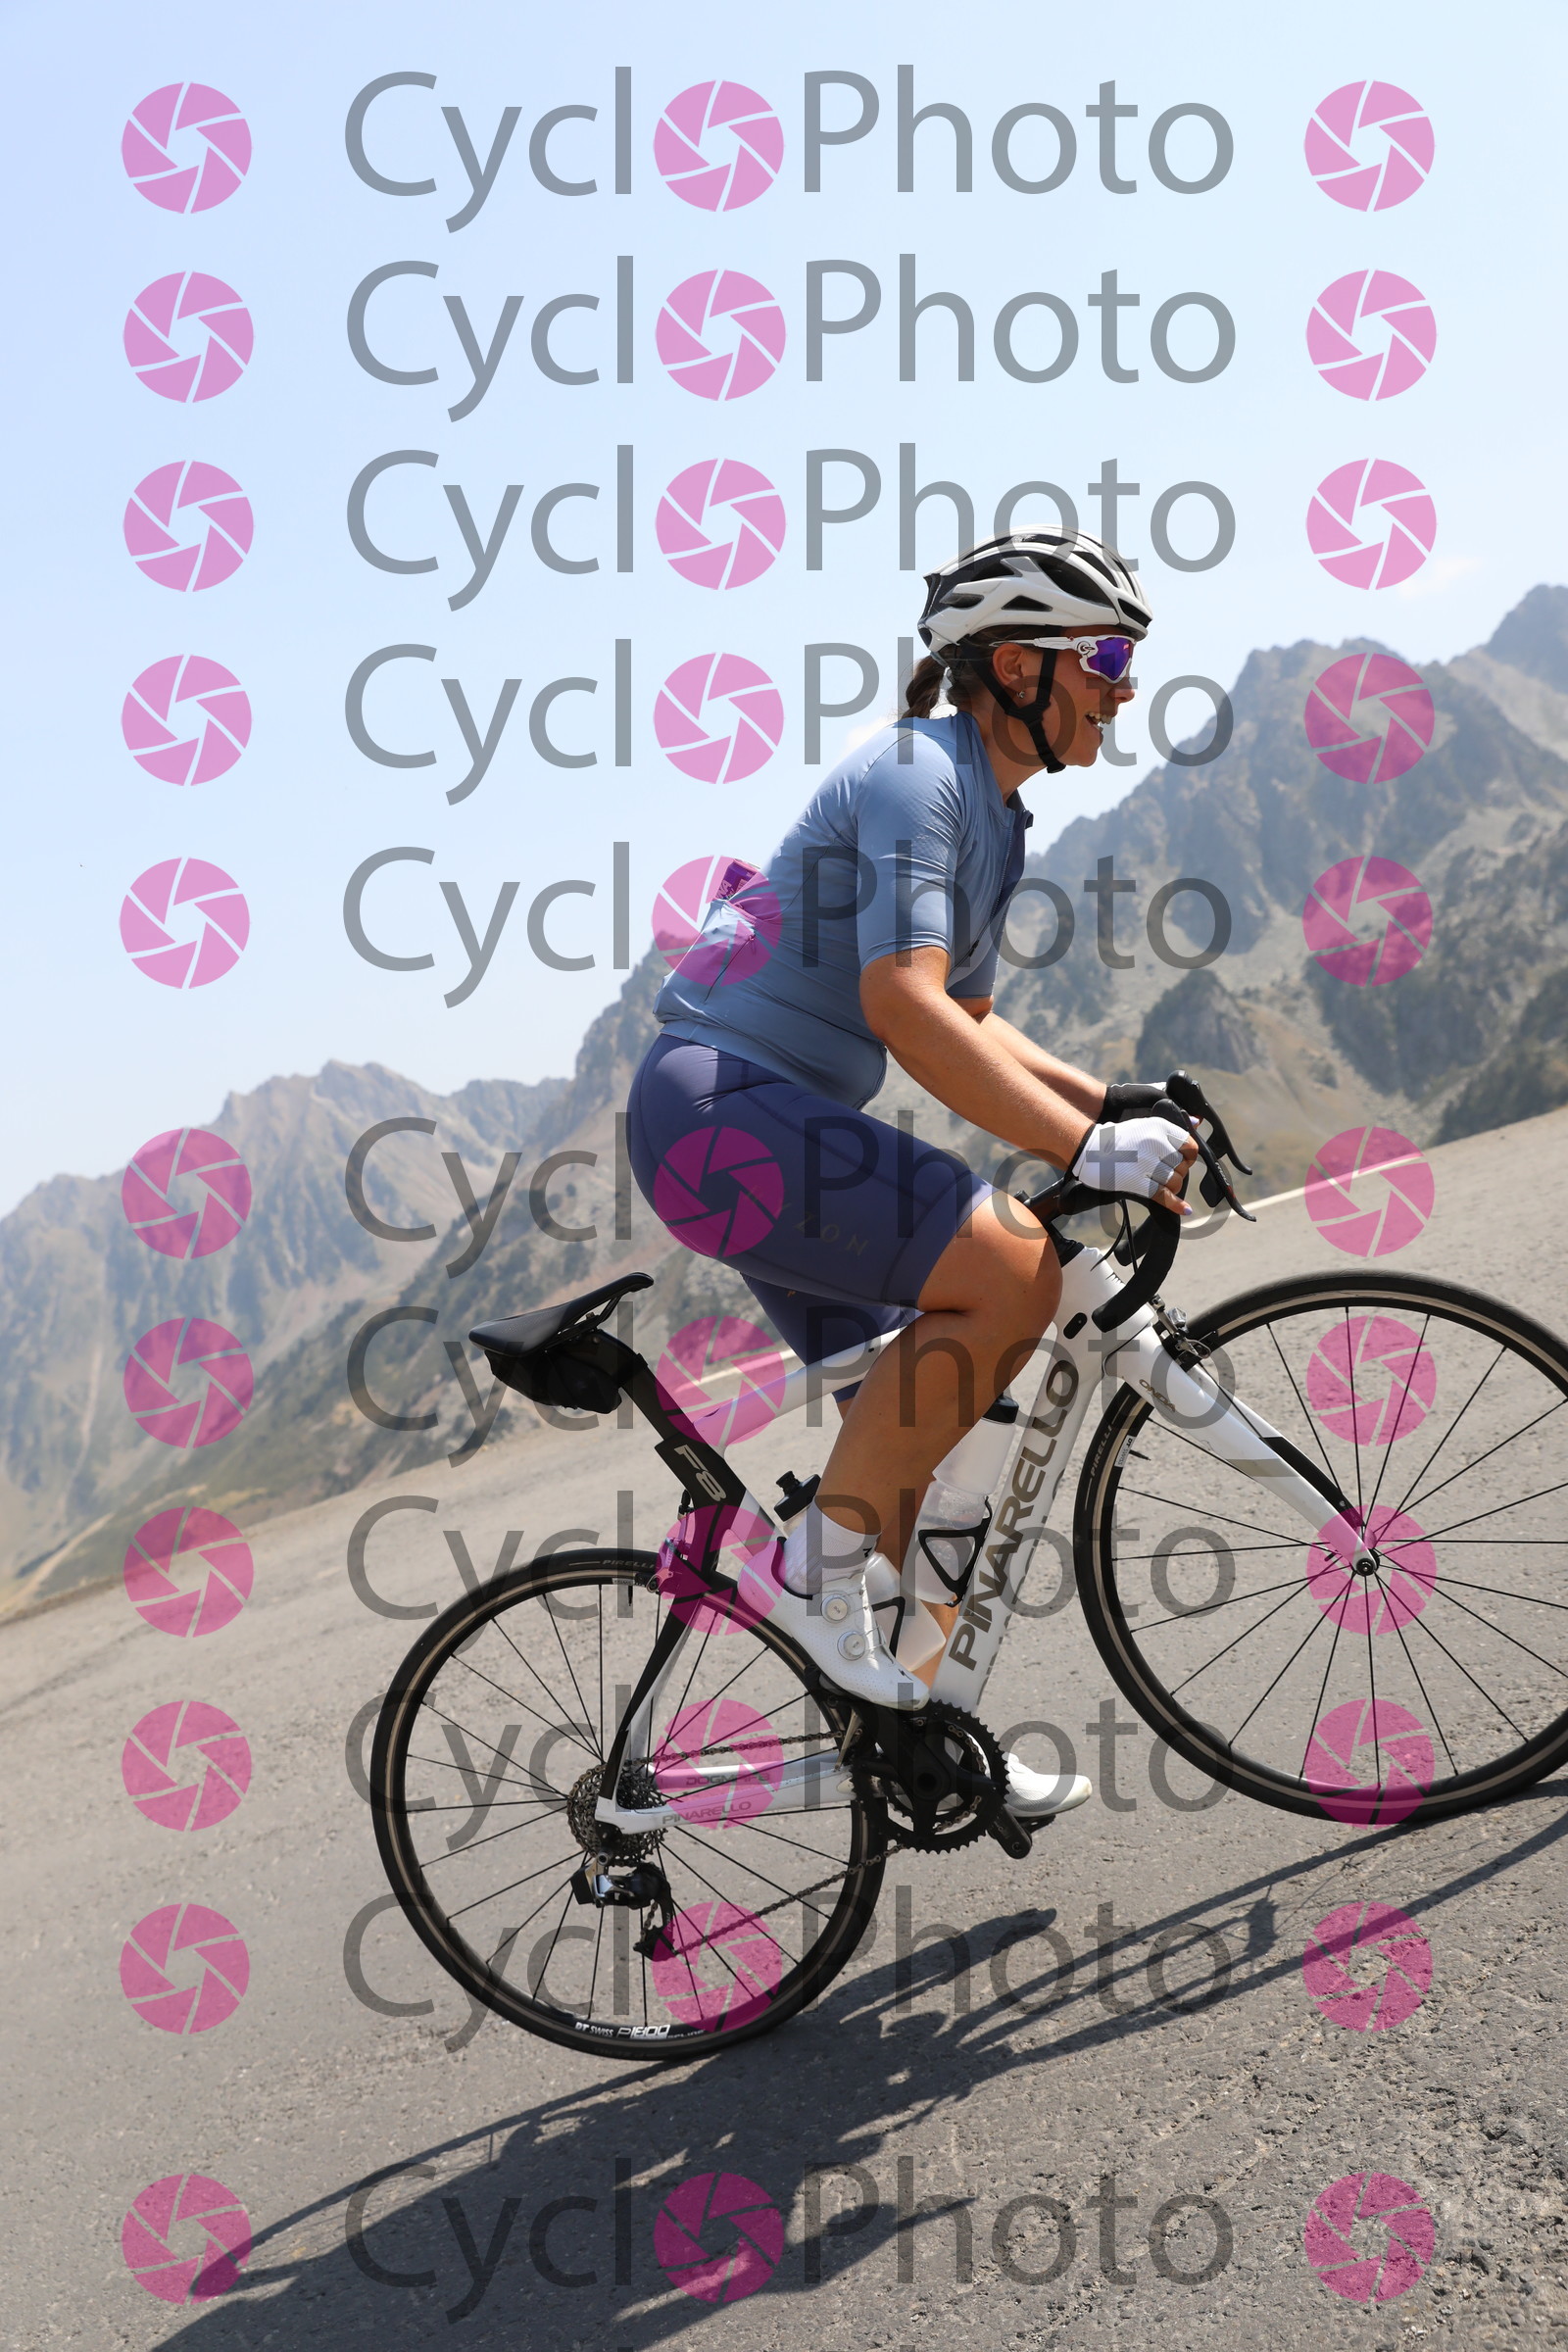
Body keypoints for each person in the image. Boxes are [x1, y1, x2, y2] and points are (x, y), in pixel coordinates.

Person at [626, 531, 1198, 1821]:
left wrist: (1110, 1105)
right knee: (1013, 1273)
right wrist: (1082, 1151)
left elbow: (972, 1018)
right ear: (1017, 666)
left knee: (938, 1474)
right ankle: (806, 1579)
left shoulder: (994, 814)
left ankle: (925, 1747)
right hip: (719, 1111)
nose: (1124, 688)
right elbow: (903, 1004)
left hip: (759, 1127)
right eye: (1106, 659)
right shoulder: (915, 774)